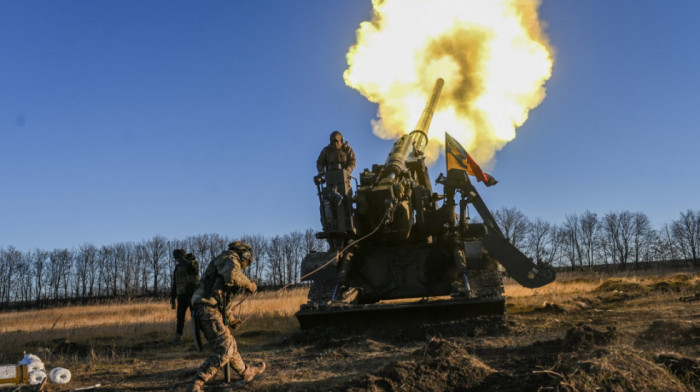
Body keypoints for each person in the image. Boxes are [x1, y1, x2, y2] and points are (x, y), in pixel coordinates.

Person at [185, 241, 265, 392]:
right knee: (225, 345)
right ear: (245, 255)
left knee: (230, 344)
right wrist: (249, 285)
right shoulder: (230, 257)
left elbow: (223, 300)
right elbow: (232, 276)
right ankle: (196, 384)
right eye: (246, 263)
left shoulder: (223, 263)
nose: (245, 267)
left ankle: (246, 372)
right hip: (206, 306)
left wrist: (232, 319)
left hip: (208, 306)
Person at [170, 249, 199, 344]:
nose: (177, 260)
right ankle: (178, 336)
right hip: (181, 295)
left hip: (192, 294)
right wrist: (172, 298)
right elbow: (175, 284)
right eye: (176, 258)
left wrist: (182, 260)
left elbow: (192, 269)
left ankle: (198, 337)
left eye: (178, 257)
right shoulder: (177, 268)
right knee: (180, 317)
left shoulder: (193, 263)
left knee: (195, 317)